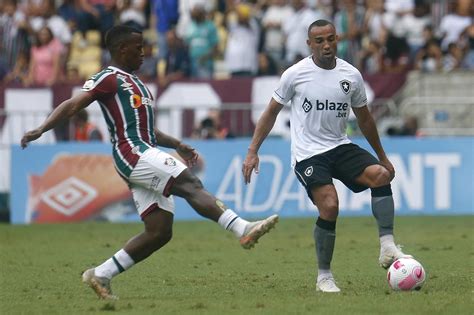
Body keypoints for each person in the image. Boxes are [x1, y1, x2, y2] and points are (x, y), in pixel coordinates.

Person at [21, 25, 278, 300]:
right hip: (132, 153)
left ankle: (101, 273)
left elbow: (150, 131)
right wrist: (41, 128)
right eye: (138, 48)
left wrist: (177, 144)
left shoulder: (138, 84)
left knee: (159, 231)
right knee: (190, 183)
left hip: (144, 149)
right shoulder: (108, 77)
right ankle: (242, 228)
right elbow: (74, 104)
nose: (145, 53)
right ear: (122, 49)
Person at [242, 20, 411, 293]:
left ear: (337, 39)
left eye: (331, 39)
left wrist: (383, 157)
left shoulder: (351, 75)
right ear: (309, 44)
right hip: (308, 154)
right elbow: (271, 112)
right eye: (319, 41)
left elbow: (365, 119)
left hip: (339, 145)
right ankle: (324, 277)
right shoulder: (295, 74)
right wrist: (252, 151)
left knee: (380, 176)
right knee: (330, 205)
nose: (326, 45)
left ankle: (388, 247)